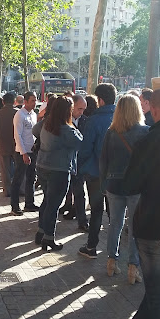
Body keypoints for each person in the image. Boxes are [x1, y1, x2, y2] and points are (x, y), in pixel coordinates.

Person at [119, 88, 160, 319]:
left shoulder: (149, 141)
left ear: (155, 109)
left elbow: (130, 185)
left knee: (159, 293)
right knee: (159, 290)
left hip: (152, 227)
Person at [99, 94, 149, 283]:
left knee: (115, 224)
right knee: (135, 227)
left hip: (114, 184)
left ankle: (112, 262)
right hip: (136, 186)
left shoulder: (111, 132)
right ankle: (133, 267)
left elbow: (103, 161)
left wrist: (104, 183)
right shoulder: (145, 132)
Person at [33, 96, 83, 251]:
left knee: (47, 201)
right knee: (53, 205)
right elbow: (80, 142)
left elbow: (35, 131)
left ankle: (41, 231)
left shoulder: (45, 125)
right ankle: (49, 238)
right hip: (59, 170)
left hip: (42, 166)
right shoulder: (68, 130)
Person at [78, 83, 116, 259]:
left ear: (100, 100)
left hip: (96, 173)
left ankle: (91, 246)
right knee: (115, 213)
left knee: (96, 211)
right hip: (117, 175)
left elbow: (86, 149)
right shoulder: (123, 118)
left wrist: (81, 167)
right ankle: (114, 252)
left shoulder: (94, 120)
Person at [62, 94, 89, 232]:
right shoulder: (62, 121)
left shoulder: (86, 121)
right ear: (72, 107)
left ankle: (82, 220)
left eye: (84, 109)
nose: (81, 112)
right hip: (64, 163)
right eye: (79, 109)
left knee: (79, 193)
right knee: (65, 190)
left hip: (79, 164)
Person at [10, 91, 38, 215]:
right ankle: (15, 206)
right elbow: (18, 135)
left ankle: (29, 203)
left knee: (31, 178)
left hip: (33, 151)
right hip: (22, 152)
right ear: (25, 101)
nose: (35, 103)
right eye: (32, 100)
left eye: (36, 100)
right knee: (18, 179)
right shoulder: (19, 115)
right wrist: (24, 153)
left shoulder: (33, 115)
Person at [0, 92, 18, 196]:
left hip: (2, 145)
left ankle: (7, 190)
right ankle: (19, 189)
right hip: (17, 145)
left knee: (5, 170)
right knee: (19, 169)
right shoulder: (18, 113)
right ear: (14, 101)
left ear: (3, 102)